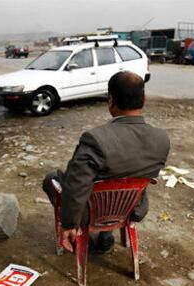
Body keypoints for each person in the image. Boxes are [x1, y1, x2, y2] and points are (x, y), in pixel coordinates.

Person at [42, 71, 170, 254]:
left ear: (111, 100)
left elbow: (76, 185)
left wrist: (69, 224)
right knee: (117, 178)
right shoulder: (162, 138)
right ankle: (106, 234)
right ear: (144, 100)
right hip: (132, 208)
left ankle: (83, 232)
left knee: (52, 178)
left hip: (94, 213)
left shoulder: (95, 139)